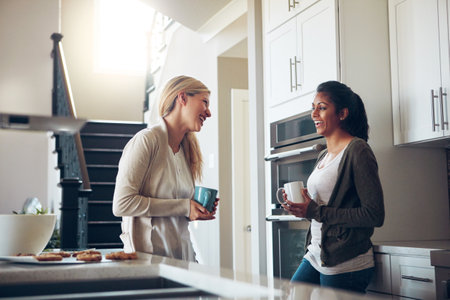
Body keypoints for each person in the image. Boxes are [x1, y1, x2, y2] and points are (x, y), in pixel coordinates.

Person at [281, 81, 385, 293]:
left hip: (346, 261)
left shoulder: (358, 151)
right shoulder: (323, 155)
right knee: (293, 294)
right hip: (316, 253)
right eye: (313, 108)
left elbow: (374, 215)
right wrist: (303, 209)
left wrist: (315, 211)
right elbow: (323, 212)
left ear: (342, 113)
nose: (314, 115)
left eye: (322, 107)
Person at [113, 75, 218, 262]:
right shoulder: (147, 141)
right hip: (149, 262)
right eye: (205, 102)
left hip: (184, 258)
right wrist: (184, 207)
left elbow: (173, 211)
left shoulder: (188, 150)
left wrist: (195, 209)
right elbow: (122, 204)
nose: (209, 113)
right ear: (182, 98)